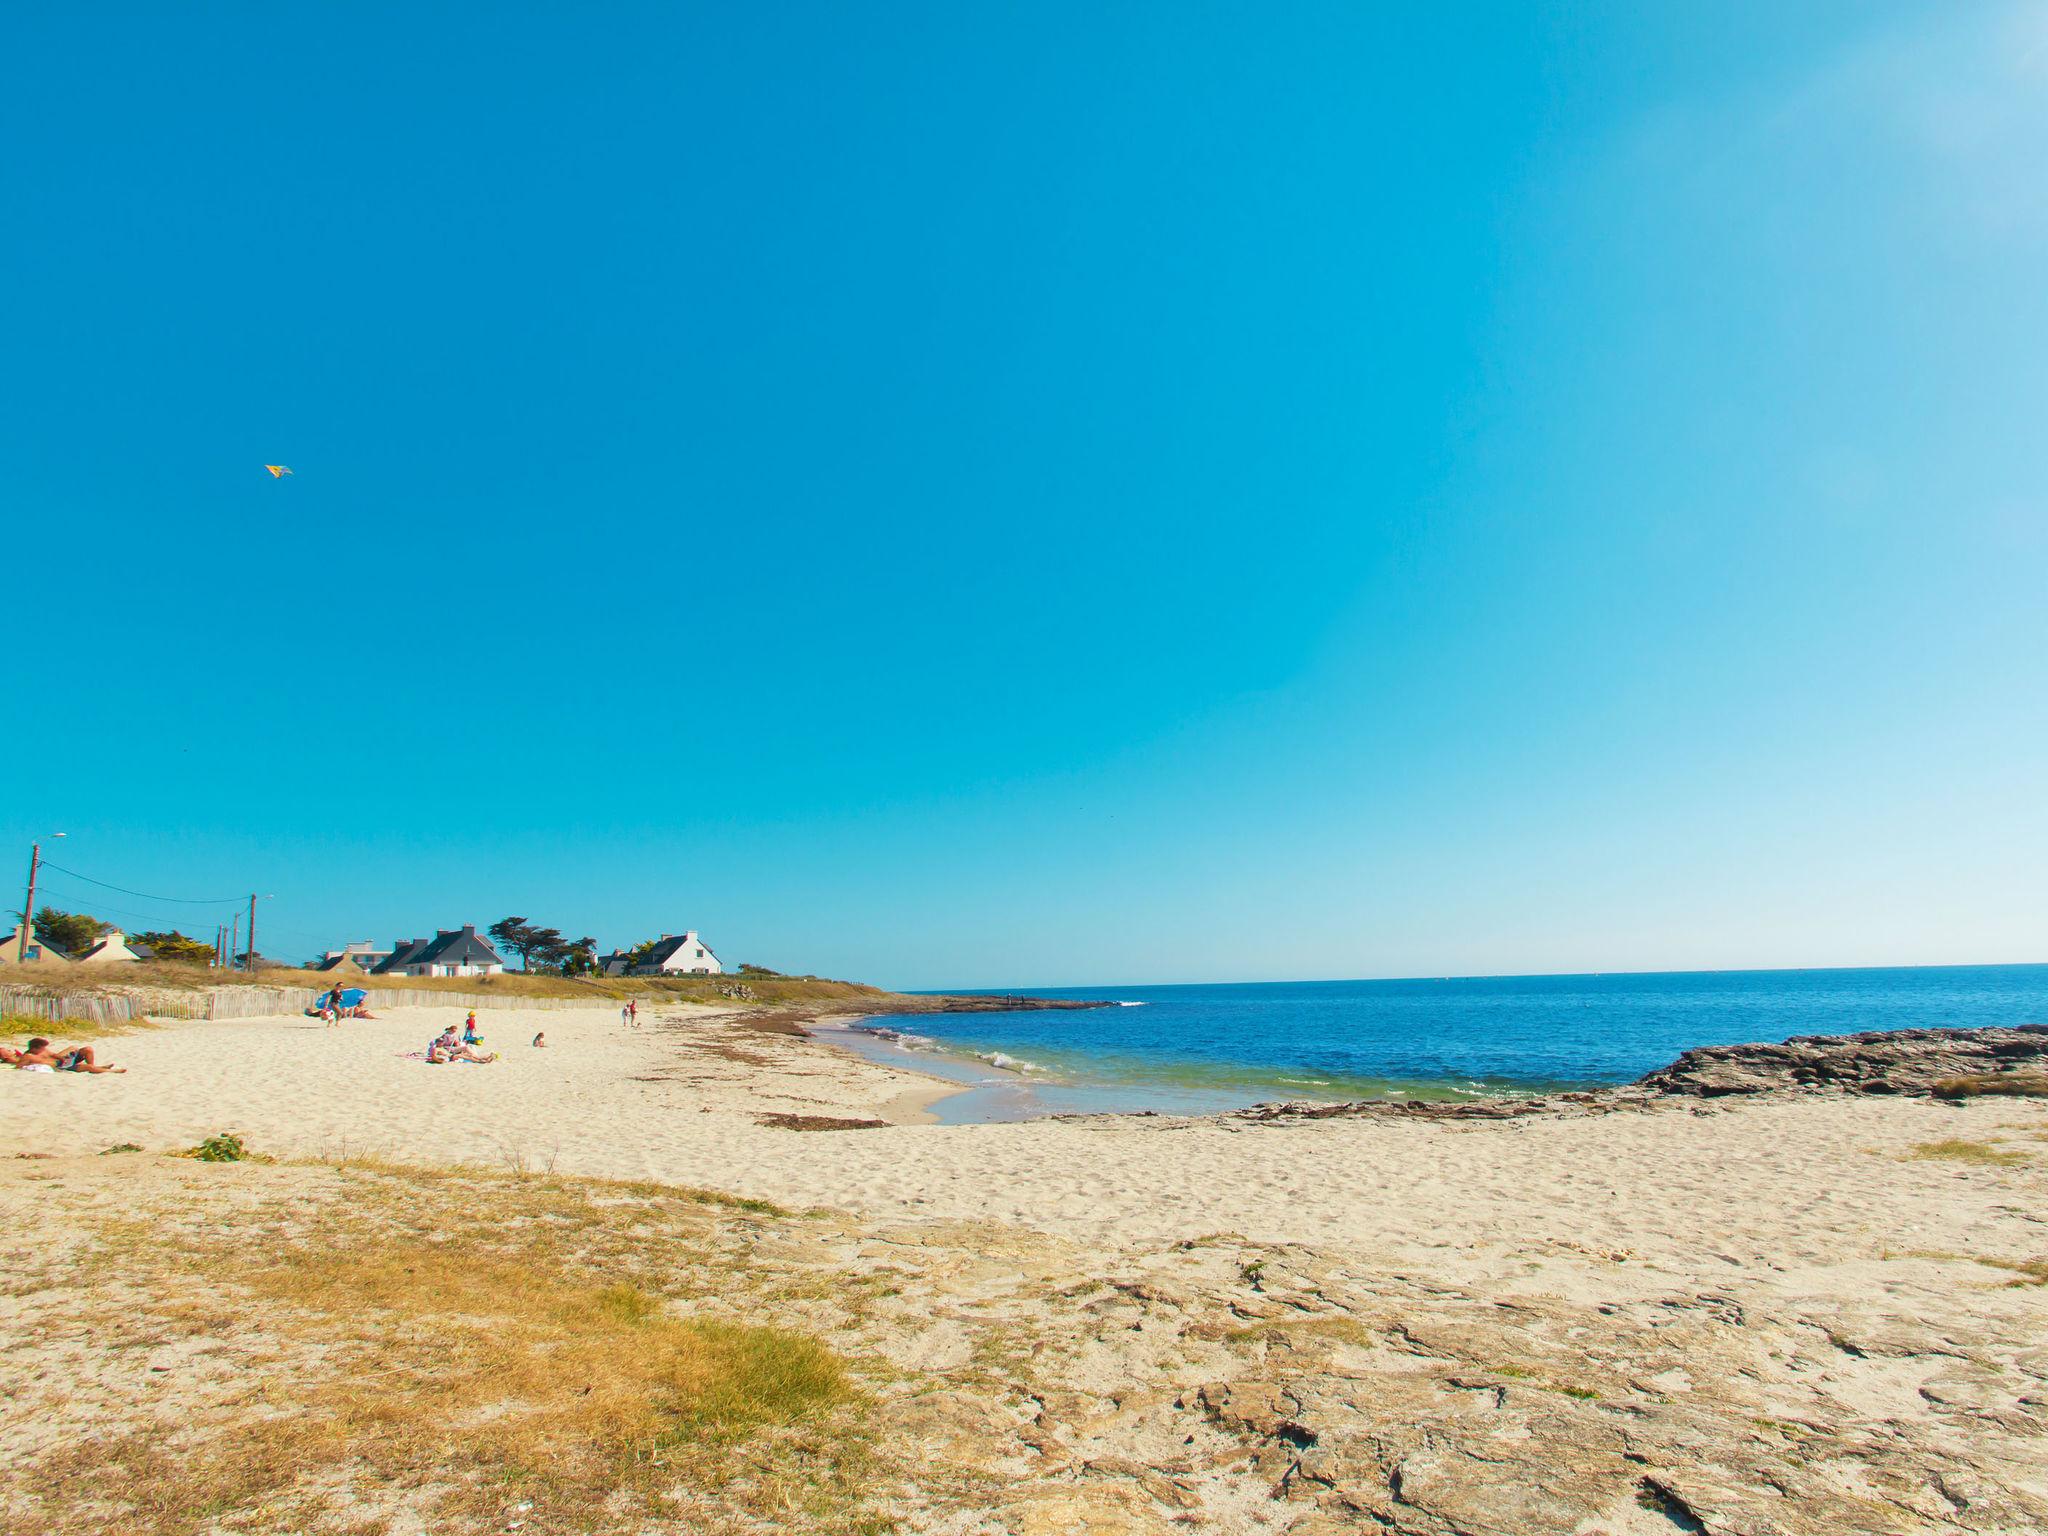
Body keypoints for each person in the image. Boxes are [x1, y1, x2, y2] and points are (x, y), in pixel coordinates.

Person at [15, 1037, 125, 1074]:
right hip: (60, 1067)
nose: (44, 1049)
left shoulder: (44, 1051)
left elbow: (54, 1055)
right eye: (42, 1048)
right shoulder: (28, 1056)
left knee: (88, 1049)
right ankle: (111, 1071)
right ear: (34, 1048)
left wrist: (63, 1058)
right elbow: (18, 1067)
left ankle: (95, 1068)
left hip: (63, 1062)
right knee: (88, 1067)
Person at [427, 1027, 495, 1065]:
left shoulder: (441, 1047)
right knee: (467, 1057)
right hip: (451, 1057)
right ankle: (481, 1061)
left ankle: (485, 1058)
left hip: (452, 1055)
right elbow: (433, 1057)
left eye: (442, 1042)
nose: (442, 1043)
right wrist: (440, 1059)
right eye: (440, 1042)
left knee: (469, 1055)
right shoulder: (435, 1049)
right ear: (437, 1043)